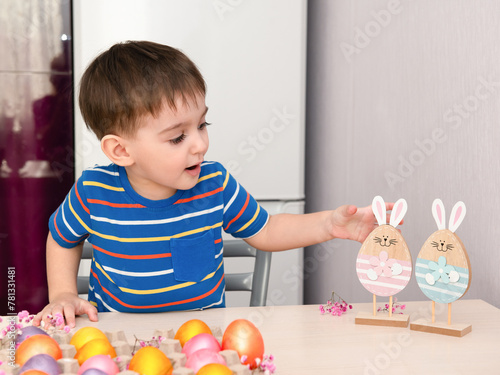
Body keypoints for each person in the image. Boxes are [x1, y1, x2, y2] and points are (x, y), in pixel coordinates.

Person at [34, 41, 397, 328]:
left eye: (202, 125)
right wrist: (63, 293)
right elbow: (62, 237)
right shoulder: (93, 191)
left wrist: (329, 225)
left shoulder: (214, 182)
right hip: (118, 336)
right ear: (121, 150)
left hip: (202, 337)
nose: (201, 145)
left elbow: (267, 229)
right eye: (178, 138)